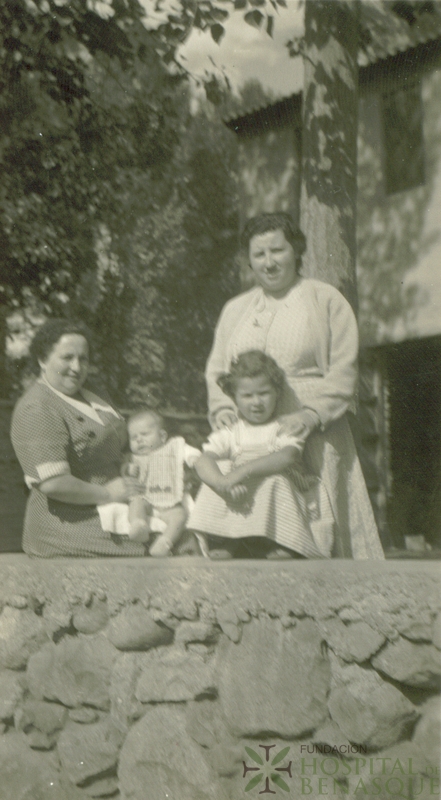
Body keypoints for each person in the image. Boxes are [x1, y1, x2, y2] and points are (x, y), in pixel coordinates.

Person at [204, 212, 384, 559]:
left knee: (319, 523)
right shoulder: (236, 309)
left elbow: (344, 369)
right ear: (250, 261)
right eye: (260, 254)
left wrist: (312, 414)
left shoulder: (324, 299)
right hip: (251, 435)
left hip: (315, 432)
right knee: (254, 521)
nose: (269, 263)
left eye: (278, 251)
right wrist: (223, 408)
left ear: (296, 251)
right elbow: (217, 370)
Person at [10, 319, 147, 557]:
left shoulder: (94, 392)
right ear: (43, 360)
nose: (76, 367)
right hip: (69, 523)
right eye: (67, 357)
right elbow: (53, 483)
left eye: (83, 359)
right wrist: (108, 493)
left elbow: (119, 443)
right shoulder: (37, 408)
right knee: (162, 543)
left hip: (118, 504)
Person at [189, 351, 332, 559]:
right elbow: (203, 459)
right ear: (235, 398)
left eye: (264, 393)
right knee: (213, 476)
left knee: (274, 481)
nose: (256, 402)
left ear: (277, 392)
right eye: (247, 396)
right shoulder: (232, 432)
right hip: (240, 492)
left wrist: (242, 472)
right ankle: (230, 539)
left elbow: (287, 456)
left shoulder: (283, 427)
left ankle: (284, 541)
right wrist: (221, 483)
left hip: (280, 492)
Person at [97, 409, 201, 557]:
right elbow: (125, 472)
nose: (139, 440)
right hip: (145, 499)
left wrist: (193, 459)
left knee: (180, 516)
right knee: (136, 502)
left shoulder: (173, 448)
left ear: (162, 436)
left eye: (145, 434)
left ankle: (164, 543)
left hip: (168, 503)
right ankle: (138, 525)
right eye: (134, 437)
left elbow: (190, 453)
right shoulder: (133, 458)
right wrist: (128, 470)